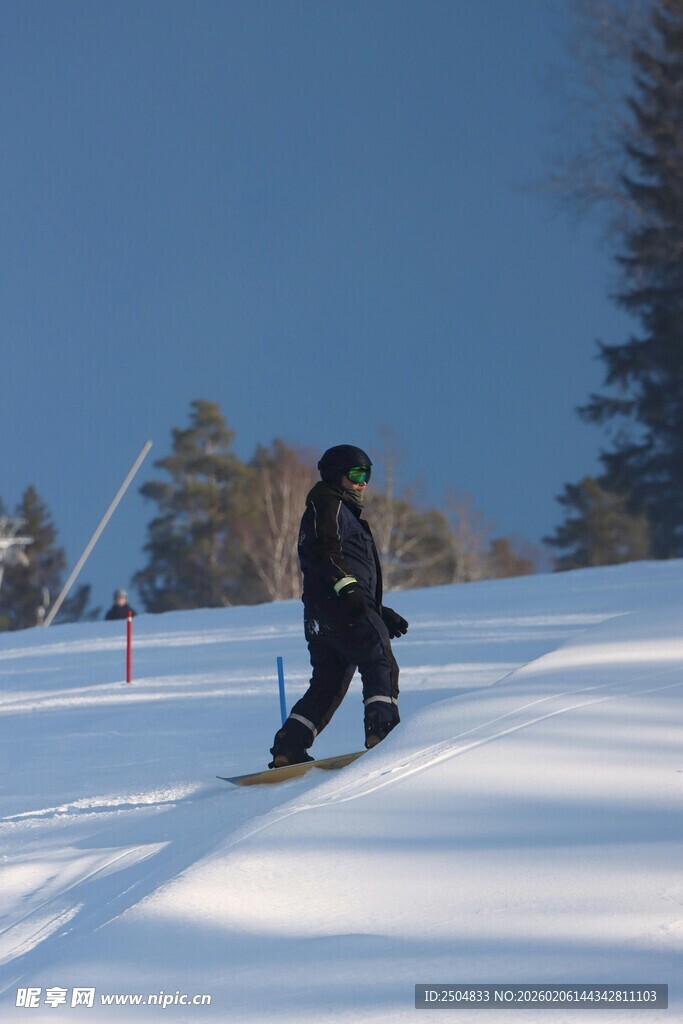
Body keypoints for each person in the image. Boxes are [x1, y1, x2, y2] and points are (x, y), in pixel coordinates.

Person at [269, 444, 409, 768]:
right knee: (380, 659)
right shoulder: (327, 504)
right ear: (337, 475)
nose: (362, 483)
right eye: (356, 475)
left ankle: (289, 747)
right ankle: (383, 733)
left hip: (326, 612)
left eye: (367, 476)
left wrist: (378, 608)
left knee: (328, 685)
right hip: (340, 606)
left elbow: (342, 561)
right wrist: (350, 592)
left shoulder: (340, 512)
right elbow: (325, 551)